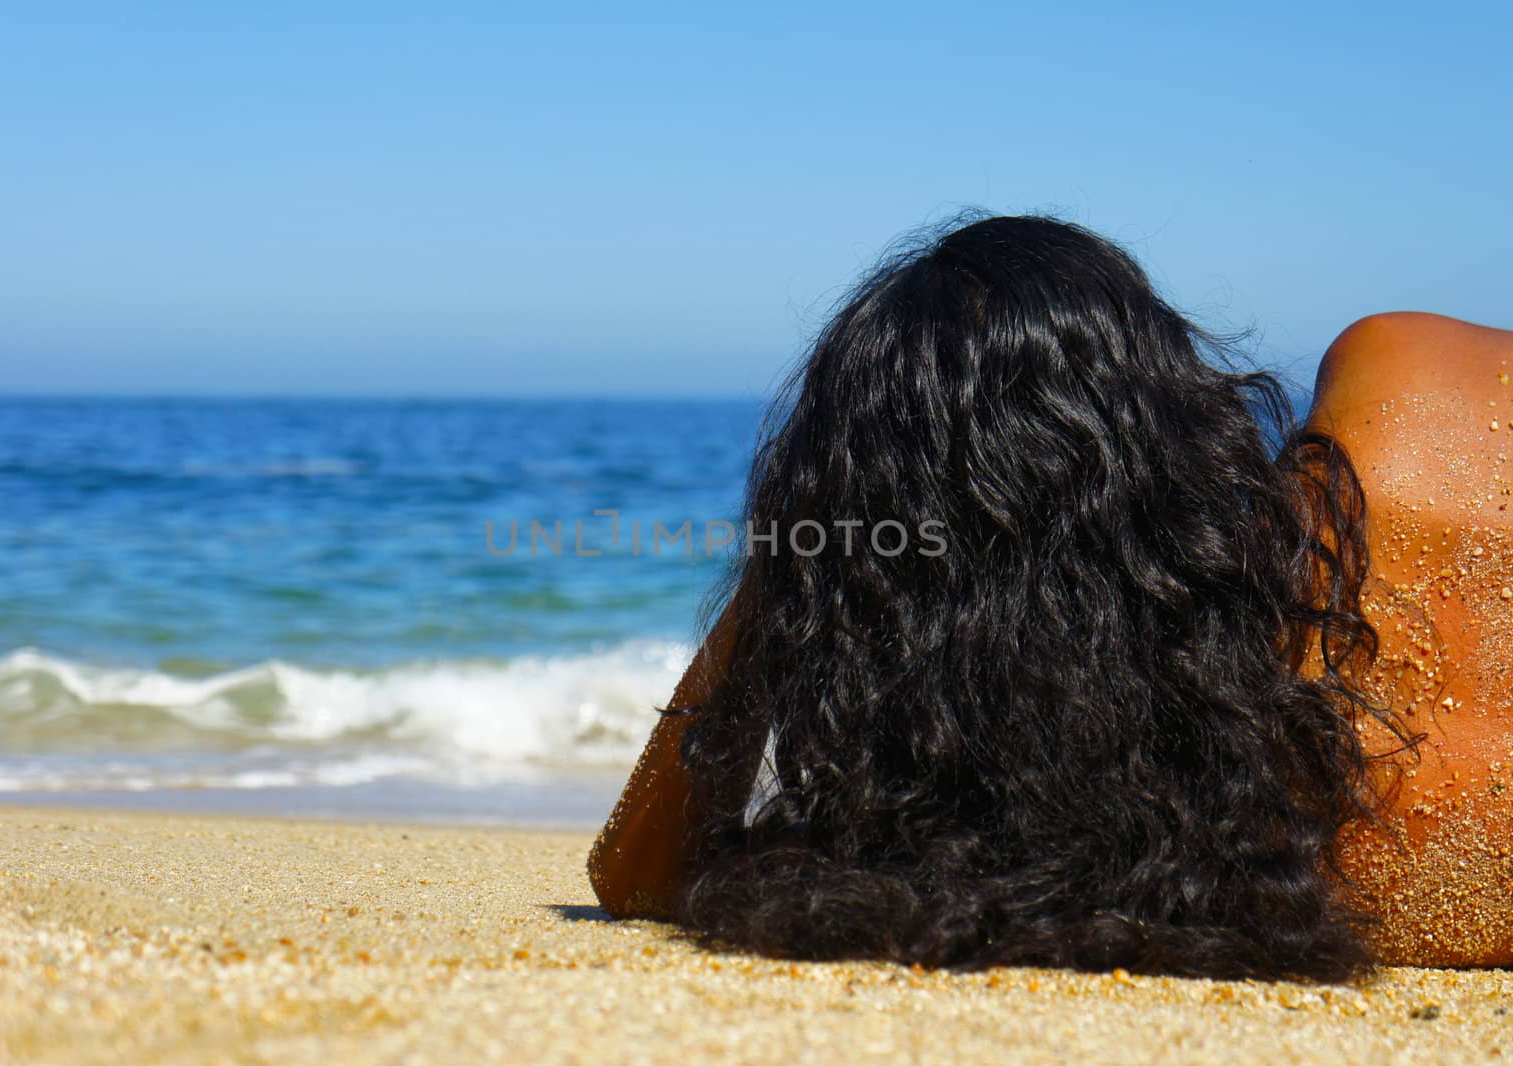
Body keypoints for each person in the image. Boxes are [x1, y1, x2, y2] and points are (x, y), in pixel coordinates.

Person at [587, 214, 1513, 980]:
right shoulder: (1400, 382)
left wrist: (806, 539)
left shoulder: (1228, 842)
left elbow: (637, 874)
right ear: (1184, 416)